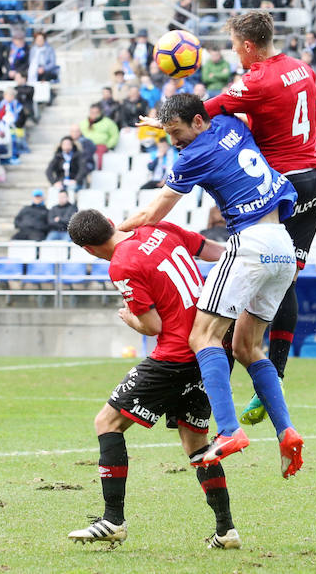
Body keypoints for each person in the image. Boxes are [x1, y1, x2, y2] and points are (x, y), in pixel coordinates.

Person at [120, 94, 304, 478]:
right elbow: (202, 126)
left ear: (198, 123)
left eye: (176, 133)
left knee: (202, 337)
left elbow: (152, 214)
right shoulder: (231, 125)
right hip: (282, 245)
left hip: (250, 242)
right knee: (247, 347)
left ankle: (229, 430)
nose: (173, 142)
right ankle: (286, 430)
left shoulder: (191, 158)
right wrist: (166, 124)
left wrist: (113, 231)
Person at [65, 210, 239, 548]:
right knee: (196, 443)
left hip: (175, 356)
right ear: (112, 222)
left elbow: (153, 326)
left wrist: (130, 320)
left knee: (107, 422)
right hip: (212, 348)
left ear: (87, 249)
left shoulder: (120, 265)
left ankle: (113, 519)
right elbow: (212, 250)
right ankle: (226, 530)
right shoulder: (158, 228)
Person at [198, 11, 316, 428]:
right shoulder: (300, 69)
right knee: (286, 277)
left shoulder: (256, 80)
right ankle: (276, 375)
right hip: (315, 182)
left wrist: (168, 117)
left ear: (249, 46)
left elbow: (207, 109)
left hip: (282, 188)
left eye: (236, 47)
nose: (235, 54)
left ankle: (215, 387)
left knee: (249, 276)